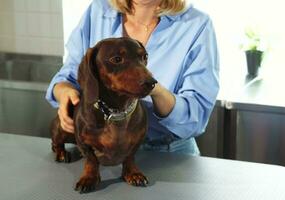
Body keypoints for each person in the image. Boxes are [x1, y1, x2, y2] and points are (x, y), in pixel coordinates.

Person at [45, 0, 219, 156]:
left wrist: (155, 90)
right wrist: (64, 92)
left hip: (167, 151)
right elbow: (70, 74)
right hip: (102, 148)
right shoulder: (98, 10)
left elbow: (195, 115)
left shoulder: (197, 24)